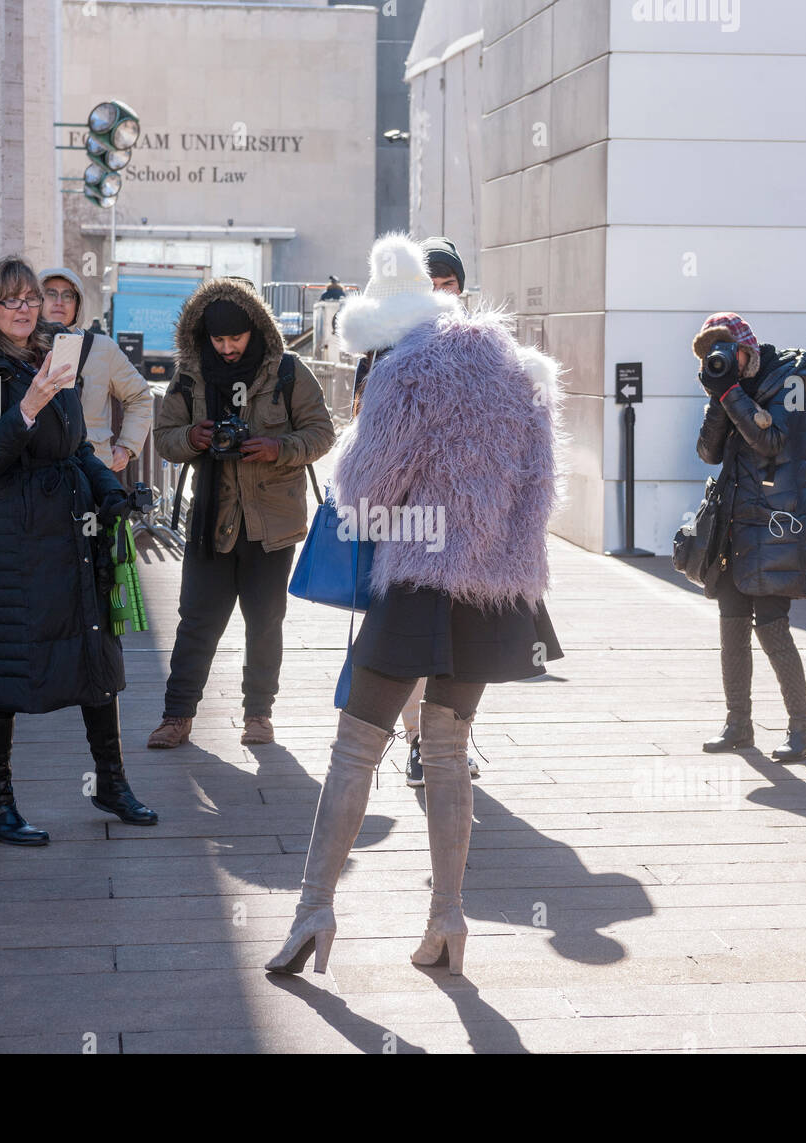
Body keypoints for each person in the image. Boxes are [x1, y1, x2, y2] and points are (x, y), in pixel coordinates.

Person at [266, 233, 563, 977]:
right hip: (494, 591)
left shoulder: (407, 368)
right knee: (450, 754)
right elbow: (539, 494)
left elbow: (363, 489)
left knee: (355, 745)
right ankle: (448, 918)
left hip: (421, 583)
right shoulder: (518, 370)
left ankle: (313, 910)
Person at [0, 255, 157, 846]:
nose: (23, 309)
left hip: (68, 535)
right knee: (6, 667)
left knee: (95, 657)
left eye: (31, 299)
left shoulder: (53, 353)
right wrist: (29, 405)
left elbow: (76, 447)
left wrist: (114, 492)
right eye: (10, 300)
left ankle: (111, 783)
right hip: (10, 543)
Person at [146, 278, 335, 749]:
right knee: (196, 621)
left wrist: (278, 447)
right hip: (211, 524)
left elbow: (321, 433)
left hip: (271, 523)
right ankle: (176, 716)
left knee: (264, 622)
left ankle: (258, 715)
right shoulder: (189, 377)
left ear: (256, 329)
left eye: (236, 338)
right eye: (218, 340)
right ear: (204, 337)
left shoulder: (289, 372)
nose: (228, 349)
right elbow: (165, 434)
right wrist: (194, 438)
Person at [348, 234, 479, 787]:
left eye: (449, 284)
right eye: (432, 284)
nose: (441, 293)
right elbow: (363, 438)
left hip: (464, 522)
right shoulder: (383, 350)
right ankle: (421, 743)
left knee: (460, 645)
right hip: (400, 520)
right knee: (405, 643)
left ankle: (449, 742)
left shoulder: (479, 350)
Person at [694, 312, 806, 763]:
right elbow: (707, 453)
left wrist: (730, 395)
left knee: (771, 626)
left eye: (726, 351)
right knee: (731, 627)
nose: (720, 359)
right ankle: (738, 723)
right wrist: (719, 398)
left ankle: (802, 730)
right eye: (712, 354)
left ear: (748, 347)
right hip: (733, 523)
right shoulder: (730, 388)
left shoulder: (790, 380)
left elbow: (773, 443)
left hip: (774, 523)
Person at [39, 267, 152, 474]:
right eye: (50, 293)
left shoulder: (102, 348)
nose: (59, 302)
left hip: (91, 470)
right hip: (37, 473)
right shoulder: (20, 346)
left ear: (78, 304)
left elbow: (140, 396)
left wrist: (127, 446)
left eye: (68, 295)